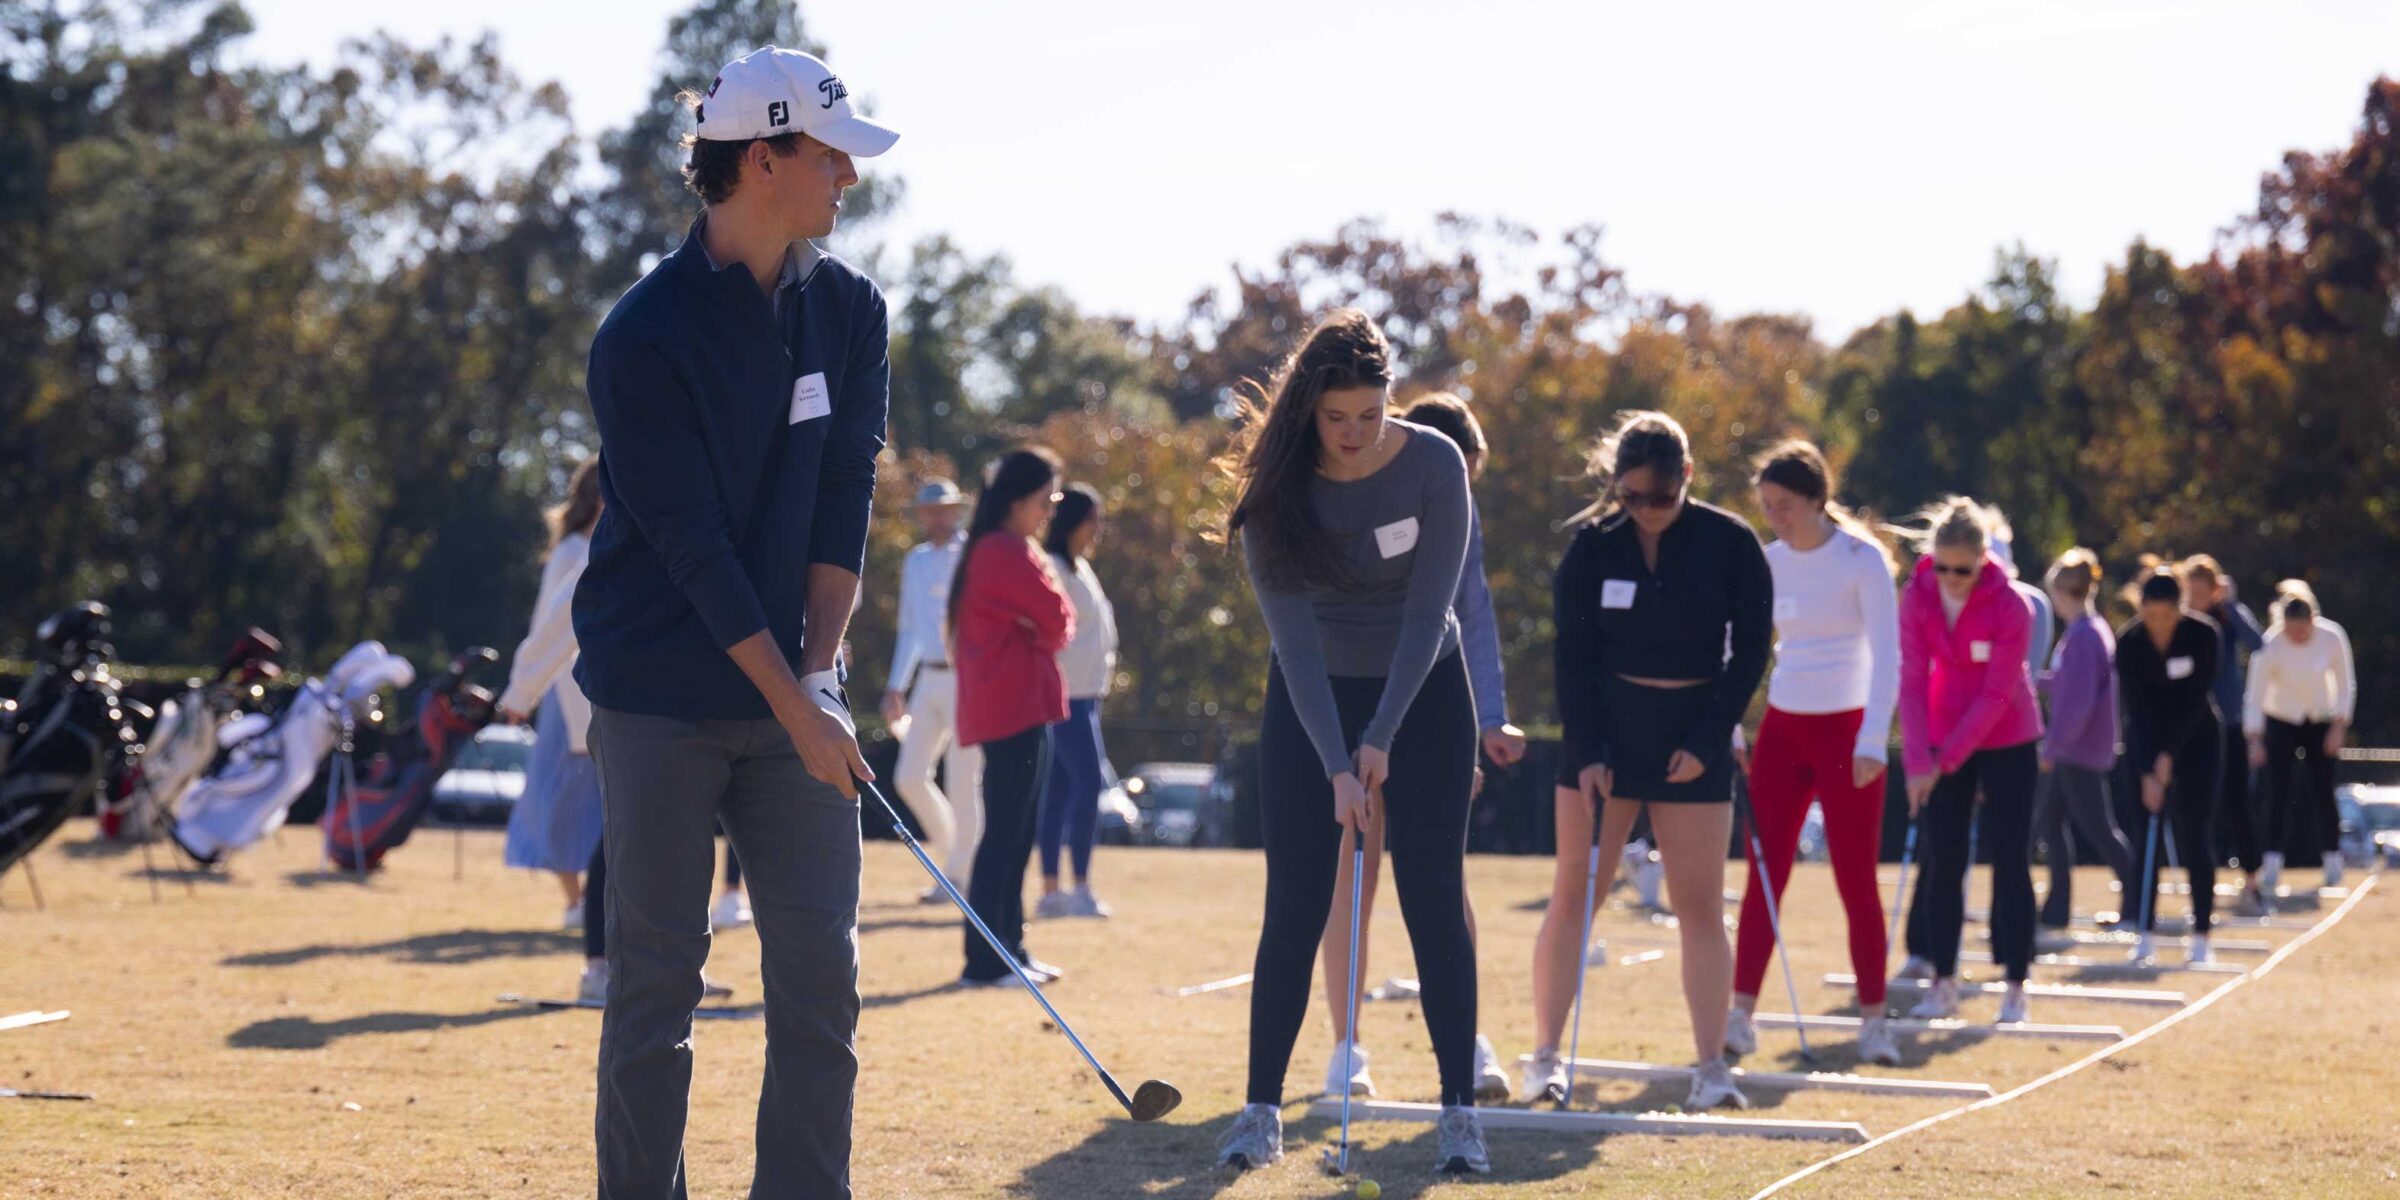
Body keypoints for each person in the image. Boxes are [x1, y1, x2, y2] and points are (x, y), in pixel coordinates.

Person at [573, 46, 893, 1197]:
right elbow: (693, 550)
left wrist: (818, 681)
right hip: (660, 690)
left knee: (823, 978)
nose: (850, 180)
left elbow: (844, 491)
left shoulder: (850, 311)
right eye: (833, 156)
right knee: (657, 982)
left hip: (791, 687)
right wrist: (793, 703)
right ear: (764, 159)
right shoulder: (641, 336)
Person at [1214, 311, 1489, 1175]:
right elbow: (1294, 643)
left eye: (1369, 416)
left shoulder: (1438, 466)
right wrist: (1339, 761)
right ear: (1308, 411)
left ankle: (1459, 1114)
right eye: (1337, 419)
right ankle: (1261, 1112)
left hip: (1427, 692)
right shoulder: (1273, 492)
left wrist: (1382, 738)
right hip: (1312, 699)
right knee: (1295, 901)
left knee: (1434, 898)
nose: (1354, 435)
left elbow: (1427, 613)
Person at [1526, 410, 1771, 1113]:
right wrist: (1589, 753)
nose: (1645, 512)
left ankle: (1709, 1067)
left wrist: (1706, 737)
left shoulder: (1731, 543)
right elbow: (1571, 659)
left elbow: (1751, 650)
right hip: (1604, 734)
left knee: (1698, 905)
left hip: (1693, 734)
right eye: (1630, 498)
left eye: (1659, 498)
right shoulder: (1592, 548)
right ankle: (1544, 1057)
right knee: (1576, 893)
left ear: (1687, 479)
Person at [1310, 392, 1521, 1104]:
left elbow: (1472, 613)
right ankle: (1347, 1049)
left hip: (1434, 704)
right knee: (1352, 877)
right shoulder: (1347, 490)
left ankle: (1463, 1042)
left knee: (1441, 883)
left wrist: (1488, 718)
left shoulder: (1460, 508)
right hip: (1355, 693)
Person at [1723, 441, 1901, 1067]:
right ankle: (1739, 1015)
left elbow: (1888, 654)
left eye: (1786, 505)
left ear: (1818, 499)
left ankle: (1875, 1020)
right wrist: (1733, 724)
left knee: (1856, 880)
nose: (1776, 517)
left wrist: (1872, 740)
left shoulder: (1862, 560)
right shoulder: (1766, 561)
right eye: (1767, 506)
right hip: (1783, 729)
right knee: (1763, 876)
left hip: (1849, 734)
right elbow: (1737, 644)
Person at [1891, 498, 2044, 1023]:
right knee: (1945, 861)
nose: (1953, 579)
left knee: (2010, 860)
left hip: (2009, 737)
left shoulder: (2012, 605)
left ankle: (2016, 985)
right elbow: (1911, 682)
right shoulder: (1917, 596)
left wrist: (1945, 760)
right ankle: (1942, 981)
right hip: (1938, 740)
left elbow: (1998, 696)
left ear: (1984, 560)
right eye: (1944, 567)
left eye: (1965, 569)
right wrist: (1917, 762)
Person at [951, 448, 1076, 987]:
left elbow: (1049, 624)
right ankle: (985, 961)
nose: (1051, 509)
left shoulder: (1000, 546)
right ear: (1020, 498)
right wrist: (1038, 628)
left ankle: (1011, 950)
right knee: (1004, 834)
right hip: (1012, 706)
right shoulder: (1003, 549)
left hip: (1018, 704)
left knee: (1017, 833)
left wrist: (1040, 628)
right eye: (1047, 498)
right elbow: (1059, 620)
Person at [498, 458, 605, 932]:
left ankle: (595, 903)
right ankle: (574, 902)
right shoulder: (572, 553)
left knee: (601, 811)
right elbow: (551, 625)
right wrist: (525, 692)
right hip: (569, 698)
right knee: (562, 803)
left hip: (600, 697)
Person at [2116, 566, 2224, 965]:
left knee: (2195, 834)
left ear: (2180, 609)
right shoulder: (2128, 642)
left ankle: (2201, 936)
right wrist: (2148, 770)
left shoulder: (2204, 635)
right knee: (2146, 837)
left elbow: (2196, 701)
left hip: (2197, 742)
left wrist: (2168, 757)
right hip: (2144, 744)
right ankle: (2144, 932)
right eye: (2151, 615)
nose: (2159, 624)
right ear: (2140, 608)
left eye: (2167, 616)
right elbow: (2136, 709)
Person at [882, 479, 982, 902]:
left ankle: (962, 873)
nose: (937, 517)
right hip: (929, 678)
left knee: (963, 780)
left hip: (969, 679)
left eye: (945, 509)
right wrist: (895, 685)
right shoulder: (917, 561)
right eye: (930, 510)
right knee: (908, 776)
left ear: (957, 511)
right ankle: (956, 864)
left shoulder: (973, 555)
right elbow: (910, 630)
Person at [2031, 549, 2137, 928]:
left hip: (2079, 751)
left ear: (2062, 592)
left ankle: (2136, 904)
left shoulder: (2084, 636)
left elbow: (2075, 705)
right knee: (2052, 824)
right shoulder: (2088, 631)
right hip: (2078, 748)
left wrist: (2053, 748)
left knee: (2099, 830)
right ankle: (2056, 909)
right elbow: (2065, 686)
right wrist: (2033, 681)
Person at [1034, 483, 1121, 919]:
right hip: (1067, 695)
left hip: (1088, 693)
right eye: (1093, 520)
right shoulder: (1053, 567)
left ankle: (1053, 891)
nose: (1098, 530)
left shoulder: (1080, 566)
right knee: (1089, 784)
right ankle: (1078, 887)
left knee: (1061, 790)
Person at [2244, 580, 2356, 892]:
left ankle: (2333, 861)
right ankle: (2272, 863)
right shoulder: (2271, 643)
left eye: (2302, 630)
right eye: (2292, 629)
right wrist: (2255, 738)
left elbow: (2346, 684)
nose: (2297, 636)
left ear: (2312, 621)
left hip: (2320, 720)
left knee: (2324, 790)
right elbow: (2255, 693)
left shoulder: (2332, 636)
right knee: (2277, 792)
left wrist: (2339, 726)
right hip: (2281, 720)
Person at [2180, 555, 2269, 909]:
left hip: (2229, 723)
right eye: (2192, 592)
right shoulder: (2180, 621)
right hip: (2193, 725)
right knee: (2199, 809)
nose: (2197, 598)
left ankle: (2252, 881)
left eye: (2203, 592)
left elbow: (2259, 642)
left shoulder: (2226, 617)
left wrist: (2230, 604)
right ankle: (2204, 889)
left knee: (2237, 803)